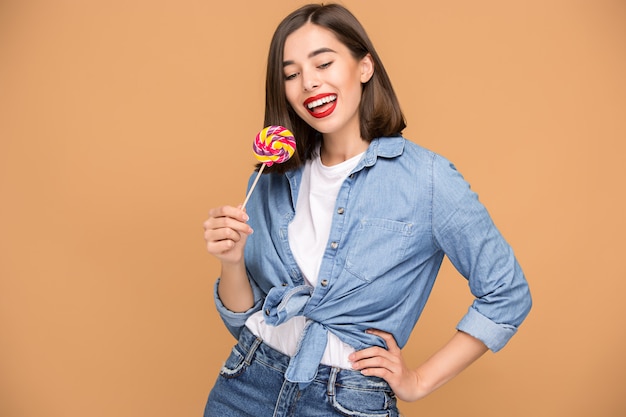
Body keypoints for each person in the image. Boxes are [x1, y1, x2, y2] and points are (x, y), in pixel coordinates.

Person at [202, 3, 532, 416]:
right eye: (291, 74)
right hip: (246, 385)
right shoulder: (270, 177)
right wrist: (230, 261)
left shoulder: (427, 179)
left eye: (323, 63)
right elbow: (242, 321)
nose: (308, 83)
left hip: (348, 400)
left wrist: (418, 382)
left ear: (364, 67)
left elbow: (507, 294)